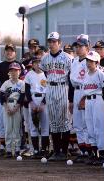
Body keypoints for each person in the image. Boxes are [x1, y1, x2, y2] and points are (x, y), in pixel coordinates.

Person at [40, 32, 71, 161]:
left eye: (54, 41)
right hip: (50, 88)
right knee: (53, 122)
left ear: (60, 43)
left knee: (64, 121)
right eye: (50, 41)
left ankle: (64, 151)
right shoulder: (45, 58)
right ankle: (56, 151)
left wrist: (70, 96)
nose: (52, 44)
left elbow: (71, 77)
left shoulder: (68, 58)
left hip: (63, 87)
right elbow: (44, 75)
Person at [0, 44, 23, 156]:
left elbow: (24, 82)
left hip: (16, 101)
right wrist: (0, 92)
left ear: (15, 52)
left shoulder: (20, 65)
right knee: (2, 123)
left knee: (17, 125)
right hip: (3, 100)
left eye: (12, 50)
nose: (9, 52)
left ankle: (18, 147)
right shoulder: (0, 66)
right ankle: (3, 146)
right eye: (7, 50)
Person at [82, 51, 104, 165]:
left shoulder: (100, 73)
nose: (89, 63)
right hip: (88, 101)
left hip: (97, 99)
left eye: (91, 61)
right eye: (88, 60)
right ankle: (94, 154)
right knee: (90, 128)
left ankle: (102, 154)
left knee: (98, 127)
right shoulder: (86, 74)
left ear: (97, 62)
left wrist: (103, 103)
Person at [69, 34, 91, 163]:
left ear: (87, 47)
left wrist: (84, 97)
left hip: (86, 91)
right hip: (76, 91)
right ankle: (82, 151)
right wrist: (71, 100)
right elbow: (71, 81)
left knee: (86, 123)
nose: (78, 48)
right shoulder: (74, 61)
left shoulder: (91, 60)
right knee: (77, 124)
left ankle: (90, 151)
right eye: (77, 46)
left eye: (81, 46)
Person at [0, 62, 25, 158]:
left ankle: (17, 149)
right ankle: (9, 150)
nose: (14, 72)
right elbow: (1, 96)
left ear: (19, 72)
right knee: (8, 128)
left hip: (17, 106)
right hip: (7, 106)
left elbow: (22, 97)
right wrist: (7, 107)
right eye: (12, 70)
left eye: (16, 70)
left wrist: (15, 108)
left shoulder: (22, 83)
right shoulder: (6, 83)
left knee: (17, 129)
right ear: (9, 72)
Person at [25, 57, 49, 159]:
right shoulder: (29, 74)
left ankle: (43, 150)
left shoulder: (46, 74)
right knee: (33, 126)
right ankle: (35, 150)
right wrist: (31, 102)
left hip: (44, 99)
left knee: (45, 126)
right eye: (35, 63)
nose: (37, 64)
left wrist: (44, 103)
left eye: (39, 62)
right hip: (33, 99)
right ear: (33, 64)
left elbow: (49, 89)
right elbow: (26, 90)